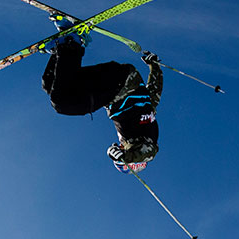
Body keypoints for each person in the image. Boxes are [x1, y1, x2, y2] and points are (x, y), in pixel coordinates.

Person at [41, 22, 163, 173]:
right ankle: (71, 42)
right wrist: (124, 157)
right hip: (119, 84)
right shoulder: (145, 138)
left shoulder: (147, 112)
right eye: (122, 161)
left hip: (114, 80)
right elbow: (148, 153)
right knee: (61, 103)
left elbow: (155, 90)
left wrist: (154, 65)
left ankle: (63, 45)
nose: (119, 147)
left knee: (51, 85)